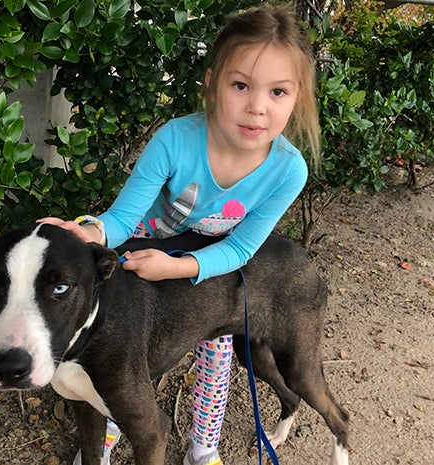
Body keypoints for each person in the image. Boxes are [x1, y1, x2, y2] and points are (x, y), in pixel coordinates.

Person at [40, 4, 320, 465]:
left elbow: (242, 247)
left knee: (216, 357)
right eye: (240, 85)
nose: (257, 106)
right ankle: (109, 429)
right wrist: (88, 232)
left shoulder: (288, 170)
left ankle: (203, 446)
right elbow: (122, 219)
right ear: (212, 83)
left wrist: (180, 267)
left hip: (207, 269)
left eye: (278, 91)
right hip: (136, 259)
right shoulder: (176, 139)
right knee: (116, 354)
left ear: (297, 97)